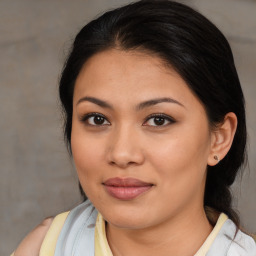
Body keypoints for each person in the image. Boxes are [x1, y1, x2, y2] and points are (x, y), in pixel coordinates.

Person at [12, 0, 256, 255]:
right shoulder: (44, 248)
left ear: (219, 137)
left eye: (158, 120)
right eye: (97, 119)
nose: (121, 154)